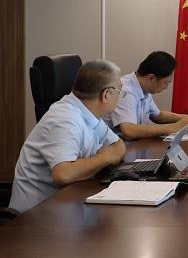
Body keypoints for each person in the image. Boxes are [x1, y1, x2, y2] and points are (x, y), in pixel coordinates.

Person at [9, 60, 127, 214]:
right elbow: (63, 174)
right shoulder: (65, 119)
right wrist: (105, 158)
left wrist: (104, 157)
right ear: (105, 95)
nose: (120, 96)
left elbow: (118, 145)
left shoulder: (88, 113)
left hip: (65, 203)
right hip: (35, 216)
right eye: (120, 92)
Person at [107, 51, 188, 140]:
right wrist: (173, 127)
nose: (166, 88)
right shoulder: (126, 91)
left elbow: (158, 116)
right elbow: (129, 131)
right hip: (112, 147)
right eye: (166, 83)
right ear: (151, 78)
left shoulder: (143, 87)